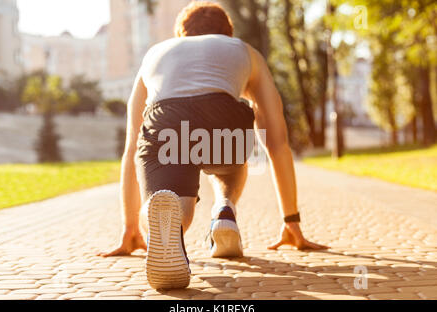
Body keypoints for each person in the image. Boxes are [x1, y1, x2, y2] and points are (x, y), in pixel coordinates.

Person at [99, 1, 327, 289]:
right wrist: (291, 220)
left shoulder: (155, 53)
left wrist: (129, 227)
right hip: (224, 122)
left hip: (167, 123)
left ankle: (164, 223)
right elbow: (277, 143)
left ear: (181, 34)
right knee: (231, 163)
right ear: (227, 33)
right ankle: (224, 210)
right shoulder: (244, 51)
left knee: (174, 204)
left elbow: (132, 146)